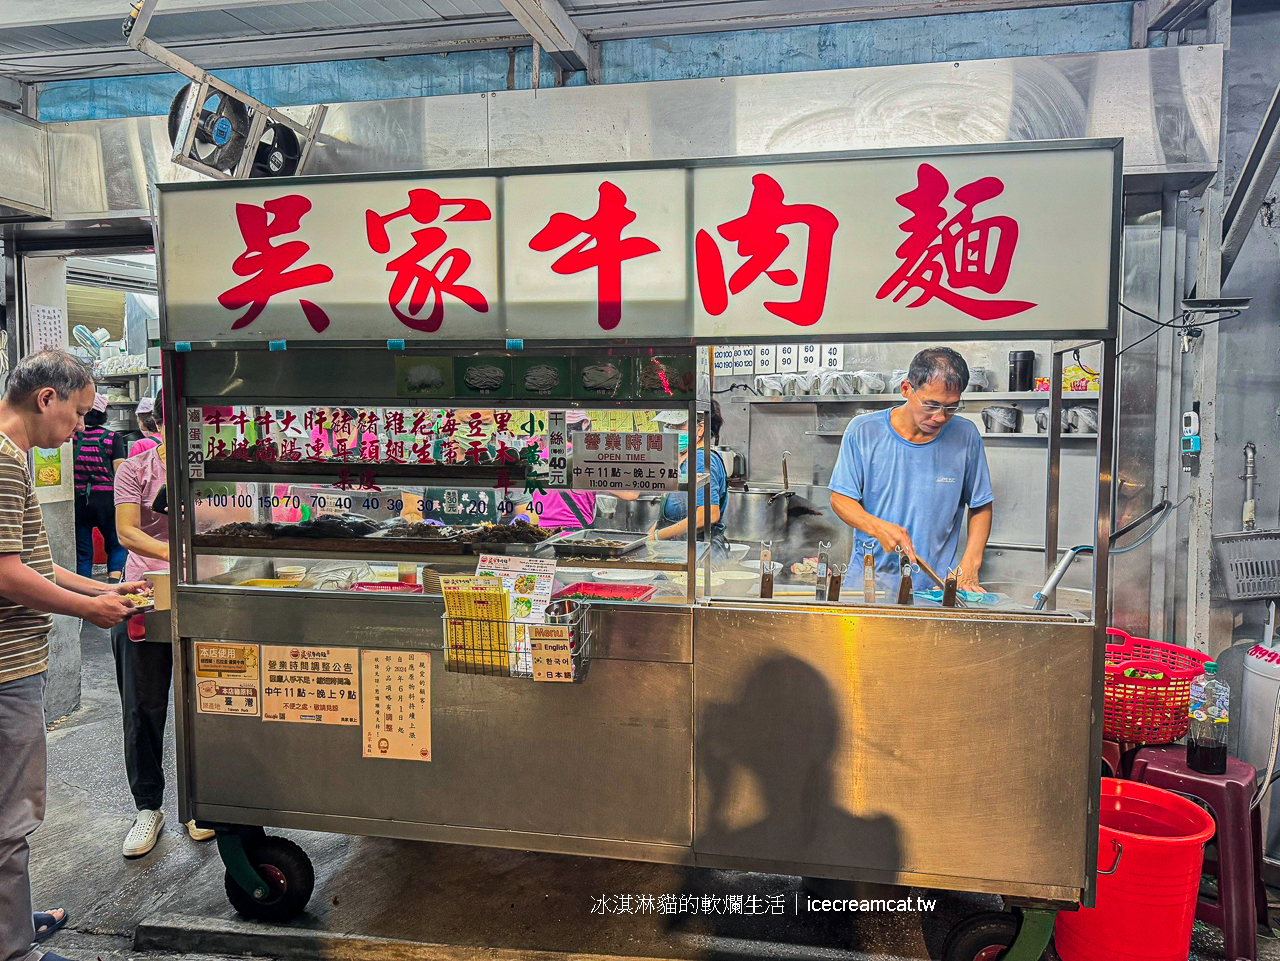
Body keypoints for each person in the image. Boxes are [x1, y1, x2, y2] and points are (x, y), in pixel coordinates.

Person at [0, 350, 142, 961]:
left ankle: (9, 918)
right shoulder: (4, 462)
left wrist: (101, 589)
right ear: (47, 398)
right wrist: (87, 611)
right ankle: (13, 948)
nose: (81, 430)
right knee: (12, 816)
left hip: (12, 662)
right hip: (6, 669)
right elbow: (6, 575)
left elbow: (35, 561)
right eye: (79, 414)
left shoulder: (16, 459)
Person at [113, 396, 215, 858]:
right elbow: (128, 532)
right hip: (144, 594)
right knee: (143, 705)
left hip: (205, 592)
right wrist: (180, 557)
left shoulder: (211, 470)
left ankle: (199, 803)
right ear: (160, 423)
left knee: (204, 701)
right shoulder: (133, 468)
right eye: (175, 420)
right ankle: (147, 807)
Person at [828, 347, 993, 596]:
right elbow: (840, 499)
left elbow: (980, 504)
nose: (940, 417)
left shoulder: (966, 436)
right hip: (869, 585)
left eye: (951, 407)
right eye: (931, 405)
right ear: (906, 389)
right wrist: (876, 526)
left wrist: (971, 562)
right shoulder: (863, 431)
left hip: (935, 588)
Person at [650, 401, 728, 549]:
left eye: (678, 426)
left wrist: (657, 536)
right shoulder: (687, 458)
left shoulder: (700, 459)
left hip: (697, 550)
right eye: (668, 425)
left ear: (699, 429)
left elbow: (709, 514)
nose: (670, 430)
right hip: (680, 548)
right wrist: (651, 535)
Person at [72, 395, 128, 582]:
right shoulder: (112, 438)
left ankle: (84, 590)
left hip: (79, 500)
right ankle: (113, 585)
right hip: (106, 500)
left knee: (83, 549)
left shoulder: (72, 438)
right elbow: (120, 473)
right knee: (116, 544)